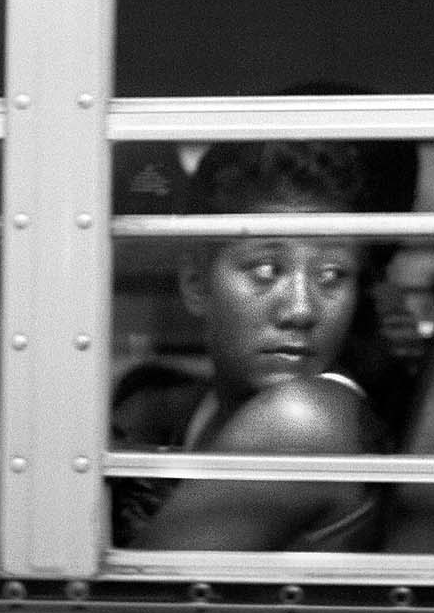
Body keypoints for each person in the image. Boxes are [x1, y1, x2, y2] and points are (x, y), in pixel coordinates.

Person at [115, 140, 389, 552]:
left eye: (332, 275)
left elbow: (133, 588)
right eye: (266, 270)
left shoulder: (302, 420)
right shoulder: (195, 408)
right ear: (196, 284)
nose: (300, 309)